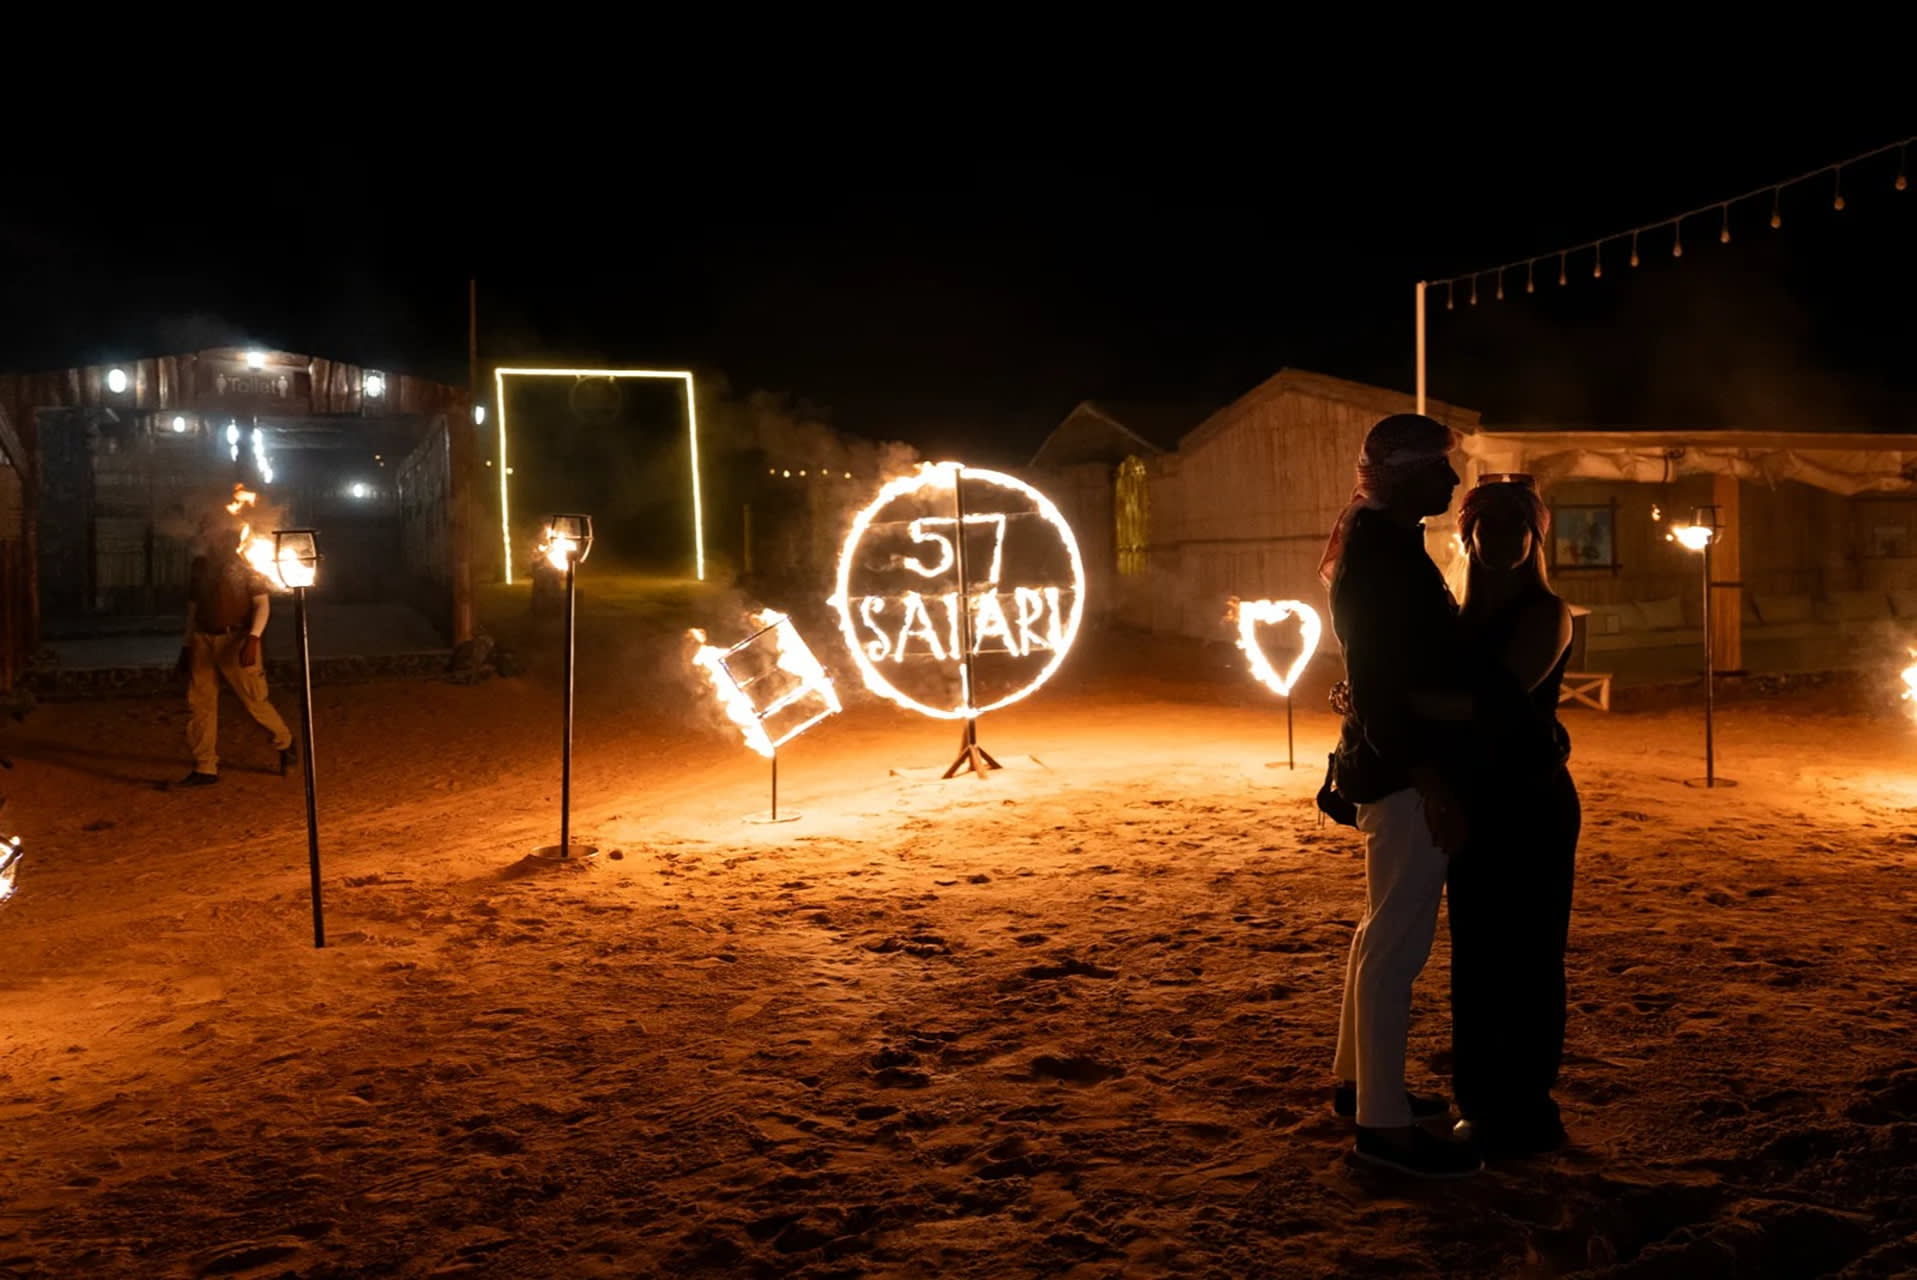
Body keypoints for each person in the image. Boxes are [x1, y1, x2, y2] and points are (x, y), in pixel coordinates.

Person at [1320, 413, 1482, 1178]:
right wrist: (1430, 779)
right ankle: (1382, 1129)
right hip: (1402, 772)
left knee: (1378, 933)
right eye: (1438, 468)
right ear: (1407, 475)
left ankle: (1359, 1085)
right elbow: (1383, 683)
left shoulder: (1380, 543)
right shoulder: (1384, 556)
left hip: (1385, 764)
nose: (1452, 480)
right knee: (1396, 945)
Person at [1427, 476, 1580, 1158]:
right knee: (1476, 954)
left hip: (1530, 799)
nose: (1496, 538)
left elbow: (1495, 701)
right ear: (1467, 536)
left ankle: (1527, 1107)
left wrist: (1400, 707)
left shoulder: (1547, 613)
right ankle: (1481, 1102)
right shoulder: (1458, 618)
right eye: (1483, 526)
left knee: (1530, 955)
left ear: (1534, 537)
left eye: (1511, 526)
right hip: (1477, 797)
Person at [176, 513, 295, 787]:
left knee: (254, 701)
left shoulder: (245, 562)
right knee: (200, 705)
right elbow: (193, 608)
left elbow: (262, 604)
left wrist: (253, 639)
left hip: (236, 640)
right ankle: (205, 767)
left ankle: (286, 742)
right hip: (203, 639)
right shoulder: (200, 565)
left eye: (209, 529)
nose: (205, 535)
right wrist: (187, 644)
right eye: (204, 530)